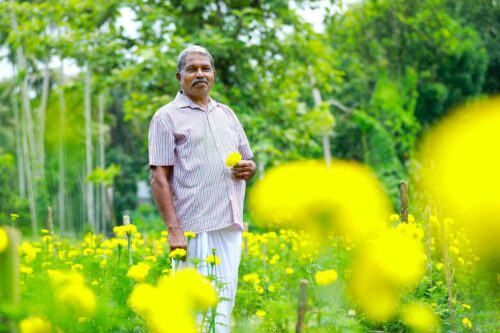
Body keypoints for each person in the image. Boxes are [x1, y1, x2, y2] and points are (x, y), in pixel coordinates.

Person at [148, 45, 256, 332]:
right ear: (179, 76)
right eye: (192, 69)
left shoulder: (227, 114)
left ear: (214, 75)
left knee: (224, 301)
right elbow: (158, 176)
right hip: (193, 227)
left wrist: (249, 168)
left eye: (205, 69)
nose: (200, 74)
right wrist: (174, 229)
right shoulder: (166, 117)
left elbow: (248, 159)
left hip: (229, 223)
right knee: (193, 306)